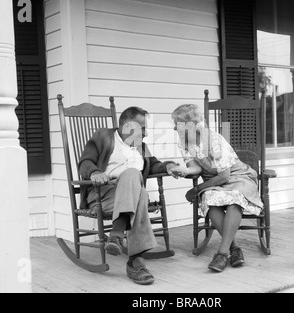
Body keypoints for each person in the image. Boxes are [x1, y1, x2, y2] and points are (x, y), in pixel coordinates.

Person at [79, 107, 178, 285]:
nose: (146, 133)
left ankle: (116, 234)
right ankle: (135, 262)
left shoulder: (140, 144)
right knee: (138, 189)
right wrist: (94, 172)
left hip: (131, 193)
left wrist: (168, 166)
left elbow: (153, 164)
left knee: (137, 187)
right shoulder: (103, 137)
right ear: (127, 126)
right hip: (104, 194)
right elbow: (85, 161)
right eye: (142, 128)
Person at [170, 104, 263, 273]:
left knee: (235, 198)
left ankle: (221, 253)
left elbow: (225, 176)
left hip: (238, 176)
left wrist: (197, 188)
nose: (173, 127)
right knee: (210, 201)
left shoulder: (214, 140)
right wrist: (185, 170)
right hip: (214, 180)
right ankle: (234, 248)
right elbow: (195, 167)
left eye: (177, 123)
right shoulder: (184, 141)